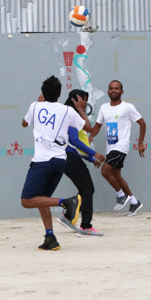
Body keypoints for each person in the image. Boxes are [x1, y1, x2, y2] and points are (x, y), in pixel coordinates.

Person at [21, 76, 91, 251]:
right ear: (60, 94)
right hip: (60, 161)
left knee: (27, 200)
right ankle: (50, 237)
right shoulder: (67, 111)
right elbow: (88, 127)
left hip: (42, 161)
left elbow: (24, 123)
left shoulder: (35, 106)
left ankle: (67, 202)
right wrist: (81, 110)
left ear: (43, 93)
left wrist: (39, 102)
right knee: (42, 199)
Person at [89, 80, 147, 216]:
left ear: (122, 91)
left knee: (105, 171)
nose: (113, 91)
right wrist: (91, 136)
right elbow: (97, 125)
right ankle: (134, 201)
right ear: (108, 91)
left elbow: (142, 123)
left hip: (121, 146)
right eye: (111, 88)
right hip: (111, 147)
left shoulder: (127, 107)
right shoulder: (104, 107)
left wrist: (140, 143)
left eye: (116, 88)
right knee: (116, 175)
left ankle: (121, 195)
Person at [57, 89, 106, 236]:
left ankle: (67, 217)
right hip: (69, 159)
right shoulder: (69, 114)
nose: (85, 102)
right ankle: (85, 226)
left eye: (86, 99)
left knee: (85, 190)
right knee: (87, 190)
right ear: (73, 99)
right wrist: (94, 154)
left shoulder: (70, 114)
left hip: (71, 158)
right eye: (82, 99)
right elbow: (74, 141)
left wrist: (91, 158)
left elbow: (76, 143)